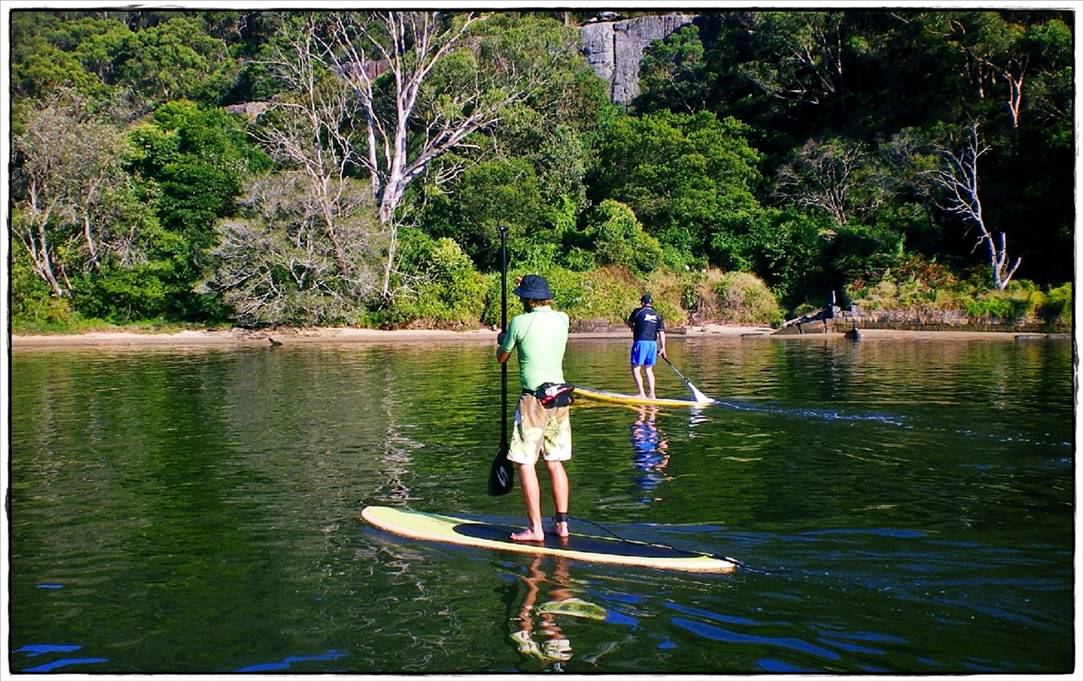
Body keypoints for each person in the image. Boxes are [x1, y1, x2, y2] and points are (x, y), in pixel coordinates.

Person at [496, 274, 572, 542]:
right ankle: (562, 525)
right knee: (554, 461)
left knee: (525, 462)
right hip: (560, 396)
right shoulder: (563, 319)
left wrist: (503, 338)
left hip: (534, 400)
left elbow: (501, 357)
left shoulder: (519, 322)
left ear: (527, 300)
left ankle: (536, 529)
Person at [626, 293, 666, 399]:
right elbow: (661, 333)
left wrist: (633, 328)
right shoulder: (657, 315)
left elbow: (629, 322)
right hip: (653, 344)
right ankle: (652, 394)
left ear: (643, 303)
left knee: (635, 369)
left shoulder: (638, 311)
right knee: (649, 369)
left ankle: (642, 394)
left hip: (641, 342)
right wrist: (663, 348)